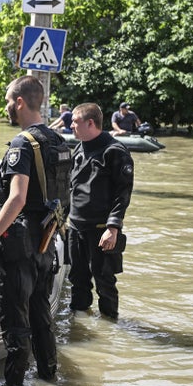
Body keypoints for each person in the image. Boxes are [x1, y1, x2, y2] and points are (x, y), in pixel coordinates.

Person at [0, 75, 62, 386]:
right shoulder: (57, 140)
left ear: (20, 102)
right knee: (41, 317)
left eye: (9, 101)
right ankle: (49, 379)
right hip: (47, 242)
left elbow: (17, 198)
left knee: (16, 325)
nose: (7, 107)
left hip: (19, 246)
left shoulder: (22, 144)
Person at [68, 103, 134, 320]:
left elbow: (122, 193)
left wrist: (113, 227)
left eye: (75, 121)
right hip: (76, 226)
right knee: (77, 278)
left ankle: (109, 324)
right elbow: (72, 186)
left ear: (90, 123)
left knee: (104, 280)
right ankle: (78, 324)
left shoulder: (114, 152)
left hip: (101, 229)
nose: (71, 125)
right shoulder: (79, 147)